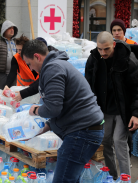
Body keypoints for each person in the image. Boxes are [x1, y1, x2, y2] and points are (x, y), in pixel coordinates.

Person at [22, 39, 104, 182]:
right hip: (85, 129)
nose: (30, 68)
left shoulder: (53, 68)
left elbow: (53, 108)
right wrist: (43, 128)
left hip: (82, 131)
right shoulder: (56, 65)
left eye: (29, 64)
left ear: (37, 56)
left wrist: (36, 110)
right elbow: (63, 106)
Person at [85, 31, 138, 179]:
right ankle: (112, 177)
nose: (103, 52)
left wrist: (135, 114)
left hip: (122, 109)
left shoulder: (127, 60)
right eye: (100, 49)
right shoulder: (94, 59)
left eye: (107, 49)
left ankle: (125, 178)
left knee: (118, 140)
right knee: (105, 141)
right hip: (104, 109)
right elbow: (88, 85)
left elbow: (136, 89)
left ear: (113, 44)